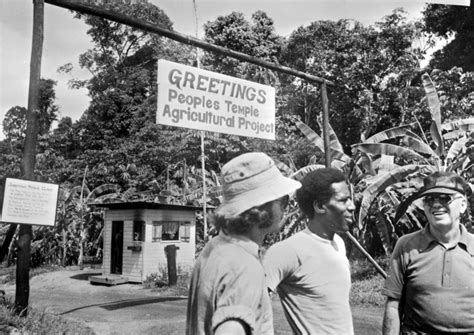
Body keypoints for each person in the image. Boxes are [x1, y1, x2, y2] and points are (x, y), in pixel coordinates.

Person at [186, 152, 302, 335]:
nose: (285, 208)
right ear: (261, 208)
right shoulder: (244, 268)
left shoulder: (214, 248)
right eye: (283, 200)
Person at [263, 167, 356, 334]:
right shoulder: (287, 251)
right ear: (320, 206)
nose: (353, 206)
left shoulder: (338, 243)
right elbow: (252, 306)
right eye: (344, 200)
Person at [382, 171, 474, 334]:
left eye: (445, 198)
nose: (436, 204)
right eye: (430, 199)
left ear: (463, 205)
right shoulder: (406, 246)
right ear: (423, 206)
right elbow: (393, 304)